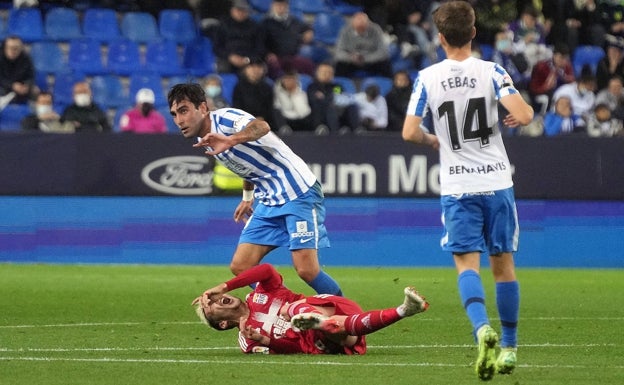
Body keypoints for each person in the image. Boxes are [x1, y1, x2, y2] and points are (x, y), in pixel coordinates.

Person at [401, 1, 533, 381]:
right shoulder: (492, 71)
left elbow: (410, 132)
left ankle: (481, 330)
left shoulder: (427, 77)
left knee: (466, 264)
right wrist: (510, 113)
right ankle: (508, 346)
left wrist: (432, 140)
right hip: (496, 182)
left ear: (440, 37)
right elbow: (524, 116)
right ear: (474, 33)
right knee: (504, 266)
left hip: (458, 185)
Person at [167, 82, 343, 296]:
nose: (179, 120)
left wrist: (232, 139)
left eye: (184, 111)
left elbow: (262, 127)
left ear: (203, 108)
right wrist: (248, 197)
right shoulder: (204, 139)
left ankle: (349, 317)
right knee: (241, 266)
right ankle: (282, 309)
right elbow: (246, 165)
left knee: (307, 270)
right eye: (174, 114)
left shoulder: (227, 119)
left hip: (297, 192)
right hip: (268, 199)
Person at [191, 263, 429, 354]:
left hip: (326, 305)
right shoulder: (247, 339)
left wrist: (223, 285)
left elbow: (266, 270)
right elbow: (290, 349)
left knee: (294, 308)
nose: (214, 300)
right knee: (346, 336)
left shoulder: (260, 294)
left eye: (211, 298)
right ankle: (404, 310)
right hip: (322, 338)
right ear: (222, 324)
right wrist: (265, 340)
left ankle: (313, 319)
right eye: (210, 306)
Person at [261, 0, 315, 80]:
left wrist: (309, 31)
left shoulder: (293, 21)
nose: (280, 7)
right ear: (272, 6)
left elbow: (306, 27)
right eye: (278, 5)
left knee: (309, 65)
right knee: (276, 70)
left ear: (287, 6)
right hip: (276, 58)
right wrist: (267, 53)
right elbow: (260, 42)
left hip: (292, 57)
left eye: (283, 5)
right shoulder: (266, 23)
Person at [333, 12, 393, 78]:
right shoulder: (345, 31)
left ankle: (390, 85)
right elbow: (339, 52)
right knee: (339, 65)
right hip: (351, 60)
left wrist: (365, 59)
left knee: (386, 64)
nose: (360, 30)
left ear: (368, 24)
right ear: (352, 24)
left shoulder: (376, 30)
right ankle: (337, 87)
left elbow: (383, 52)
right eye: (358, 28)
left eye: (362, 28)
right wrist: (351, 58)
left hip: (371, 60)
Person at [306, 62, 360, 135]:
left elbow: (341, 98)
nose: (326, 74)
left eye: (329, 72)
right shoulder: (312, 86)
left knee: (352, 106)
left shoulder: (336, 86)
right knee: (330, 107)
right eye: (324, 72)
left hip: (338, 110)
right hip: (321, 113)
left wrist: (326, 97)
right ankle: (335, 132)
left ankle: (357, 130)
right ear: (317, 73)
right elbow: (313, 100)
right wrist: (330, 98)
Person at [213, 0, 265, 74]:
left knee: (255, 71)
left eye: (244, 10)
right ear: (232, 10)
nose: (241, 13)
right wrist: (230, 57)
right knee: (222, 69)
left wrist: (248, 59)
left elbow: (260, 48)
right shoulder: (223, 24)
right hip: (228, 58)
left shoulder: (255, 26)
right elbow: (217, 47)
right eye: (238, 10)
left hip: (249, 60)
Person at [528, 43, 576, 115]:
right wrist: (546, 87)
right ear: (554, 56)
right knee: (548, 97)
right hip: (541, 94)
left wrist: (564, 78)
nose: (563, 61)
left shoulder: (567, 67)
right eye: (561, 57)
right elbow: (533, 88)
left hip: (560, 94)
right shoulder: (541, 67)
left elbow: (572, 81)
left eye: (565, 58)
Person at [231, 57, 277, 129]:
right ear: (246, 69)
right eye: (252, 67)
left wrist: (262, 117)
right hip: (244, 123)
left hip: (265, 122)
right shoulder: (239, 87)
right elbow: (237, 107)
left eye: (259, 67)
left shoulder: (267, 87)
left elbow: (269, 107)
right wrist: (250, 120)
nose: (255, 70)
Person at [272, 70, 313, 135]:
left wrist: (294, 95)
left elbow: (305, 111)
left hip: (301, 118)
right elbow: (279, 107)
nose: (289, 81)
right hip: (286, 119)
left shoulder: (302, 94)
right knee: (275, 110)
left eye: (292, 79)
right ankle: (284, 129)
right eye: (287, 79)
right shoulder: (277, 93)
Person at [0, 35, 35, 105]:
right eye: (10, 48)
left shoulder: (26, 58)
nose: (13, 51)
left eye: (16, 48)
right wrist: (12, 85)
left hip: (20, 87)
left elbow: (30, 75)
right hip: (3, 86)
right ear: (5, 48)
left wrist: (27, 85)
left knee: (35, 91)